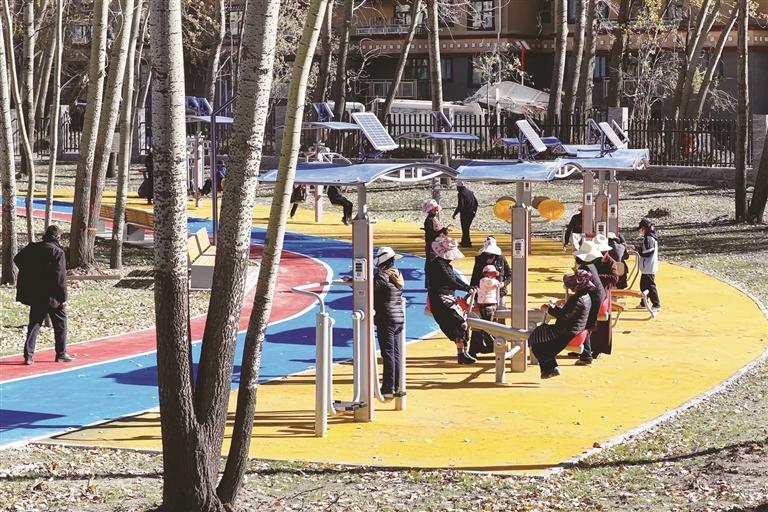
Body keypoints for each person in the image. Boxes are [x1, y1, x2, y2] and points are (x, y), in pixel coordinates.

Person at [13, 225, 76, 365]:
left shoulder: (33, 248)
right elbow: (60, 278)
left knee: (34, 324)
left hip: (37, 294)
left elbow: (17, 259)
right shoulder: (58, 252)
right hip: (53, 296)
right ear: (58, 237)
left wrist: (31, 273)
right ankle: (61, 354)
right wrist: (63, 298)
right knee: (61, 324)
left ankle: (28, 355)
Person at [528, 269, 594, 379]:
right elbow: (569, 312)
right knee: (541, 335)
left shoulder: (577, 299)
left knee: (537, 340)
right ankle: (550, 368)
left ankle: (549, 369)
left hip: (566, 332)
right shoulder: (586, 296)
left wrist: (549, 309)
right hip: (573, 329)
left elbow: (564, 315)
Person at [426, 235, 476, 364]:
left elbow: (453, 279)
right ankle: (461, 353)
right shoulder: (438, 265)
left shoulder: (445, 265)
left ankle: (463, 353)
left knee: (462, 323)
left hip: (446, 297)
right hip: (440, 298)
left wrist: (467, 287)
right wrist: (466, 288)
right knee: (458, 322)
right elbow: (450, 280)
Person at [468, 236, 510, 356]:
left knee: (500, 321)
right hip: (481, 295)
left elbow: (509, 274)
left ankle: (501, 347)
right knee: (478, 321)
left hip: (499, 294)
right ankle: (474, 349)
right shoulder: (480, 259)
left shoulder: (501, 258)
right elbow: (475, 276)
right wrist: (472, 290)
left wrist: (504, 284)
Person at [373, 246, 405, 399]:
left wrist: (354, 283)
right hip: (398, 318)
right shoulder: (397, 275)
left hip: (386, 318)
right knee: (395, 353)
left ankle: (388, 387)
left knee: (388, 353)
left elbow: (368, 291)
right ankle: (397, 386)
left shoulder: (381, 277)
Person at [572, 240, 607, 366]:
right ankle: (584, 351)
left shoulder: (584, 268)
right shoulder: (591, 265)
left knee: (584, 324)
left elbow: (579, 286)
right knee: (587, 325)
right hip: (598, 297)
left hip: (594, 299)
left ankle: (586, 355)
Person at [589, 234, 619, 359]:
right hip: (591, 293)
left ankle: (598, 349)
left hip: (603, 295)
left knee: (602, 324)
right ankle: (585, 347)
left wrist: (597, 277)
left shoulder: (611, 262)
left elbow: (614, 278)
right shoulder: (592, 259)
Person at [636, 217, 661, 311]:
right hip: (647, 267)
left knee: (650, 286)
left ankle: (656, 304)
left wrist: (639, 250)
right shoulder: (651, 237)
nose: (640, 231)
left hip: (648, 267)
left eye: (641, 229)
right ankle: (644, 302)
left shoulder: (649, 238)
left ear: (644, 228)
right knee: (643, 285)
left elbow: (648, 251)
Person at [422, 198, 448, 286]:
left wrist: (443, 231)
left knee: (435, 263)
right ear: (430, 210)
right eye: (434, 209)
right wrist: (441, 231)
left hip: (436, 244)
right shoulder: (429, 220)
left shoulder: (433, 218)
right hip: (431, 245)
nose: (436, 210)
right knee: (431, 263)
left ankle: (435, 280)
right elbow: (431, 235)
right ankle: (430, 282)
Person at [452, 180, 478, 248]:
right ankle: (465, 242)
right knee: (466, 228)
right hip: (471, 213)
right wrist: (474, 211)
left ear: (459, 187)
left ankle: (467, 243)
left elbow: (461, 205)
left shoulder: (461, 194)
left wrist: (455, 213)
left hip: (465, 214)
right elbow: (476, 203)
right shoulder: (470, 192)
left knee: (465, 229)